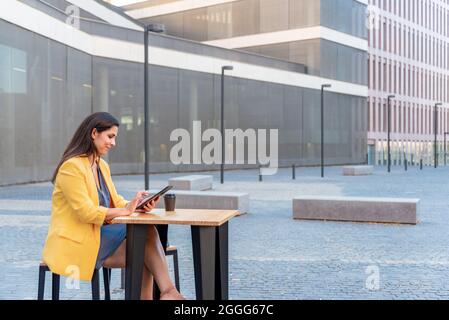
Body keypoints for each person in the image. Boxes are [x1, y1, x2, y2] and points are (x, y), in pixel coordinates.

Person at [41, 112, 184, 300]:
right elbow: (86, 212)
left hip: (99, 235)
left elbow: (116, 201)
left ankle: (168, 292)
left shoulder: (101, 165)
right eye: (110, 136)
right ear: (94, 133)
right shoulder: (71, 167)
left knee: (143, 240)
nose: (113, 143)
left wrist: (137, 205)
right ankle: (169, 292)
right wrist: (126, 210)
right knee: (143, 247)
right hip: (77, 242)